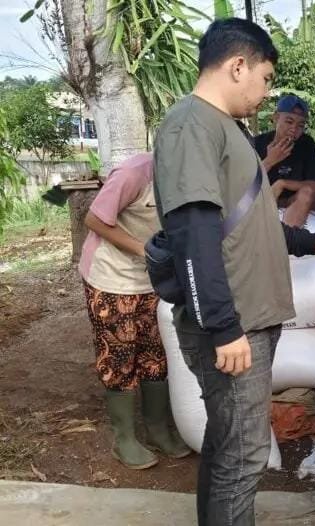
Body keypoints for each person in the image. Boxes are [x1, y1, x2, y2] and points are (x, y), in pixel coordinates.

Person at [152, 18, 315, 526]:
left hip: (247, 318)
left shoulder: (226, 130)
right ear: (238, 66)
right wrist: (224, 327)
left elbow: (253, 226)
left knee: (230, 446)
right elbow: (192, 233)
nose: (266, 91)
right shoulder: (191, 126)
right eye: (266, 78)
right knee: (245, 453)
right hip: (235, 323)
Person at [79, 153, 191, 470]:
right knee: (120, 355)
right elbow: (94, 219)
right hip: (111, 277)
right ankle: (124, 437)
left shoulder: (193, 174)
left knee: (156, 354)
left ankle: (156, 429)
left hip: (154, 279)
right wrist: (145, 250)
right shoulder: (135, 173)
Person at [252, 94, 315, 227]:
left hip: (294, 200)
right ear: (276, 118)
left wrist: (282, 183)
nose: (294, 129)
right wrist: (270, 160)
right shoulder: (257, 143)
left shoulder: (306, 144)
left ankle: (288, 239)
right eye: (289, 122)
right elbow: (244, 184)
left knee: (307, 193)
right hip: (264, 200)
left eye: (300, 125)